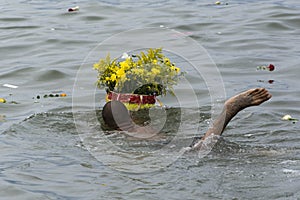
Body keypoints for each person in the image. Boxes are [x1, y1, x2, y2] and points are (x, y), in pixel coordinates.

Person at [102, 88, 272, 147]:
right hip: (175, 141)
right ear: (130, 115)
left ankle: (227, 111)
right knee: (206, 143)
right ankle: (226, 112)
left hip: (171, 148)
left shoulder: (121, 136)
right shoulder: (143, 127)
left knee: (205, 145)